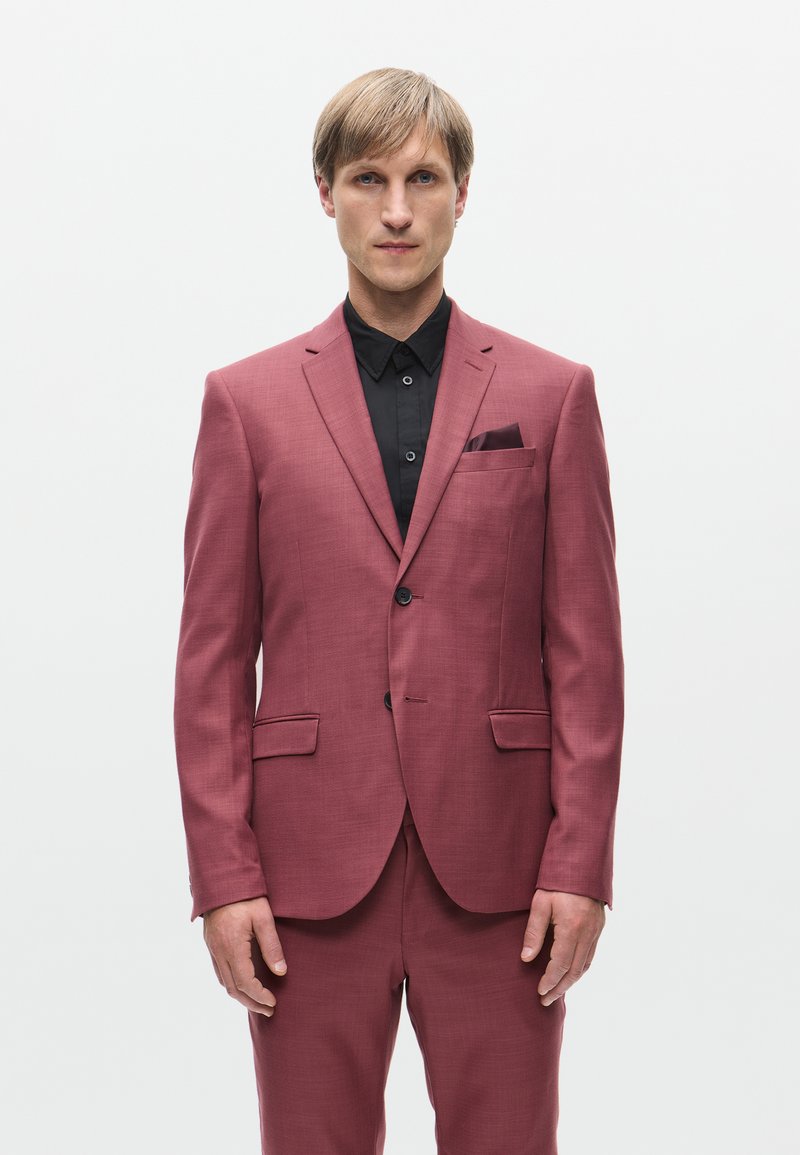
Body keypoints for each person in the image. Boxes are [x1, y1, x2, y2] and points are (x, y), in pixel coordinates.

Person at [173, 65, 624, 1155]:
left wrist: (578, 864)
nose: (396, 210)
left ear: (462, 193)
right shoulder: (245, 404)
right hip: (306, 875)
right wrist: (224, 877)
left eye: (423, 179)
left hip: (502, 872)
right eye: (367, 179)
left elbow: (586, 657)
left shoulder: (550, 395)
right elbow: (211, 664)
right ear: (324, 192)